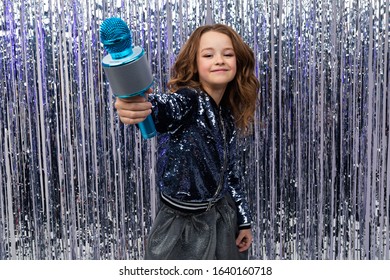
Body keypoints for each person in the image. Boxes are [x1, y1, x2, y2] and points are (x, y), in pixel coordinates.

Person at [115, 23, 259, 260]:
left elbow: (230, 173)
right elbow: (161, 108)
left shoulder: (227, 113)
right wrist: (136, 105)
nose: (220, 60)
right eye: (208, 54)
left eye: (228, 54)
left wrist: (243, 219)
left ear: (238, 62)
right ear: (194, 64)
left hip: (223, 219)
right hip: (182, 229)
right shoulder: (188, 100)